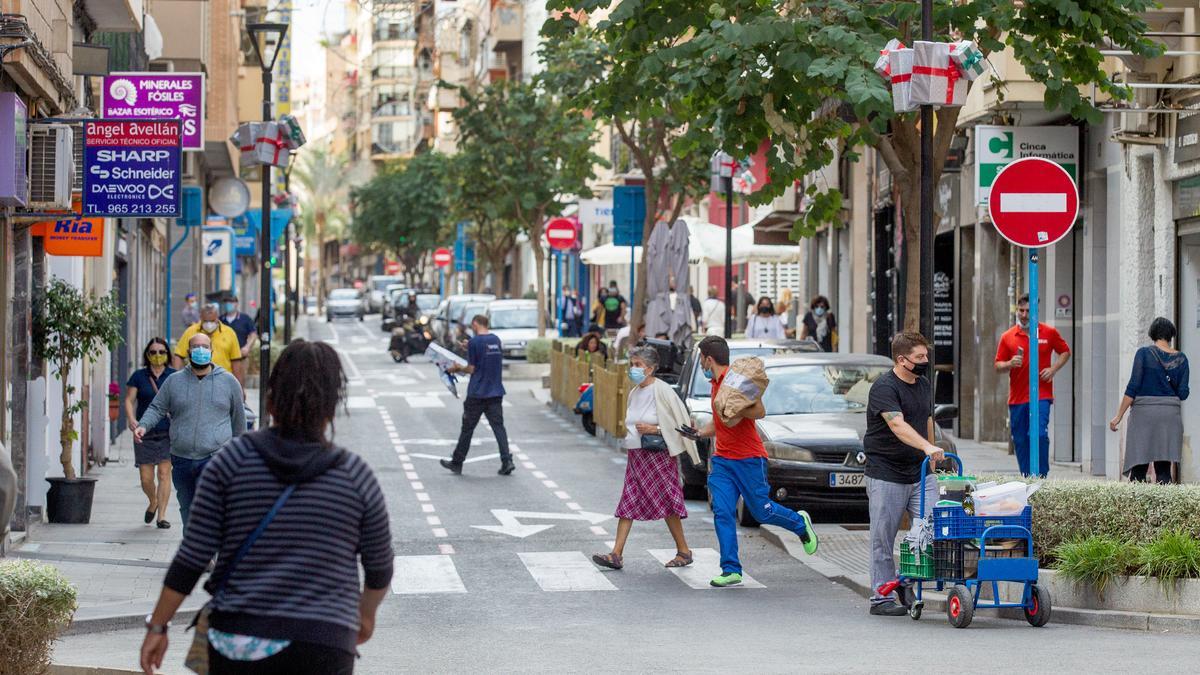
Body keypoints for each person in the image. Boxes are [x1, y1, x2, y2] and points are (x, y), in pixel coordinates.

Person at [139, 340, 393, 674]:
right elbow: (379, 568)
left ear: (271, 399)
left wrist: (158, 625)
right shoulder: (354, 476)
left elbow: (192, 556)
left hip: (239, 640)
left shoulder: (231, 463)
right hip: (324, 643)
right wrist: (365, 616)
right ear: (332, 407)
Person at [693, 336, 818, 587]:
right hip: (723, 461)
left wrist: (734, 409)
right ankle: (731, 569)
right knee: (722, 511)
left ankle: (799, 523)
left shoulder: (736, 379)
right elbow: (720, 423)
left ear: (708, 358)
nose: (701, 364)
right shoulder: (714, 384)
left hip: (749, 458)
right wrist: (697, 432)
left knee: (761, 511)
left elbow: (759, 411)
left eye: (701, 359)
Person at [592, 346, 700, 571]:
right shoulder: (634, 393)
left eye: (638, 365)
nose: (633, 369)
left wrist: (656, 429)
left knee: (668, 503)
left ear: (650, 369)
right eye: (632, 364)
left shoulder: (663, 391)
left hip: (658, 456)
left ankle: (684, 550)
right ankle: (616, 554)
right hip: (636, 457)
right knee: (628, 501)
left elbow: (681, 426)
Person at [863, 332, 945, 616]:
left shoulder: (922, 384)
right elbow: (897, 425)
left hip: (920, 473)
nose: (925, 361)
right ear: (902, 359)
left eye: (926, 356)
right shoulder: (884, 388)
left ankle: (905, 580)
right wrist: (926, 447)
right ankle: (881, 597)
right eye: (919, 357)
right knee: (883, 537)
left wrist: (933, 454)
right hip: (886, 473)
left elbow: (927, 419)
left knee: (934, 530)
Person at [136, 332, 246, 531]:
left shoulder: (229, 382)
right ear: (188, 352)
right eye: (196, 347)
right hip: (182, 457)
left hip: (215, 456)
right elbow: (157, 408)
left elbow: (239, 419)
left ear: (211, 351)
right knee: (188, 507)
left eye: (205, 347)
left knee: (210, 505)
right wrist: (143, 425)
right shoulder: (174, 381)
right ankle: (193, 546)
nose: (201, 351)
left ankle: (209, 549)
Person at [994, 294, 1071, 478]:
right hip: (1018, 398)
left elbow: (1065, 351)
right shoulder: (1008, 337)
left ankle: (1041, 476)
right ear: (1017, 310)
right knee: (1020, 440)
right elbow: (997, 366)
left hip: (1042, 395)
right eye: (1021, 310)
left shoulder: (1048, 332)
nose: (1025, 314)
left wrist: (1053, 369)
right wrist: (1009, 363)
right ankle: (1027, 477)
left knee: (1038, 435)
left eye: (1029, 311)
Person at [1110, 317, 1190, 484]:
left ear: (1153, 335)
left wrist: (1118, 416)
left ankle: (1137, 507)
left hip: (1144, 415)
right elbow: (1183, 394)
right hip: (1169, 416)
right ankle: (1164, 508)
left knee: (1139, 466)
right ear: (1171, 335)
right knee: (1163, 468)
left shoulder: (1144, 354)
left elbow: (1133, 387)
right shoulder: (1181, 359)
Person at [440, 315, 515, 476]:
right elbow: (486, 356)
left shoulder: (475, 342)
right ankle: (507, 460)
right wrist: (470, 347)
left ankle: (457, 462)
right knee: (498, 427)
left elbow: (472, 369)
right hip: (495, 391)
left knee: (467, 428)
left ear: (475, 324)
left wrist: (457, 368)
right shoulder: (496, 340)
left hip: (477, 393)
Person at [124, 338, 177, 529]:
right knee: (146, 478)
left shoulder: (174, 376)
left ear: (167, 354)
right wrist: (132, 419)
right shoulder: (139, 376)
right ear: (147, 354)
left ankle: (161, 516)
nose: (157, 356)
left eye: (161, 352)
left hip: (167, 432)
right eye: (153, 352)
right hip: (144, 433)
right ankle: (153, 500)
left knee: (164, 473)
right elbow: (129, 400)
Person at [175, 304, 245, 384]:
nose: (209, 324)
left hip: (222, 382)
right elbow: (178, 355)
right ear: (201, 318)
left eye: (212, 321)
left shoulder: (229, 333)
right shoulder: (190, 332)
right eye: (206, 321)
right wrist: (177, 380)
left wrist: (240, 387)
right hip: (195, 381)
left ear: (217, 317)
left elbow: (236, 362)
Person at [220, 294, 258, 362]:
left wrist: (247, 347)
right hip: (223, 358)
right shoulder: (220, 320)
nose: (228, 304)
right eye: (226, 302)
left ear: (236, 304)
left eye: (231, 302)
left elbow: (253, 334)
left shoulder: (245, 318)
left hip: (241, 357)